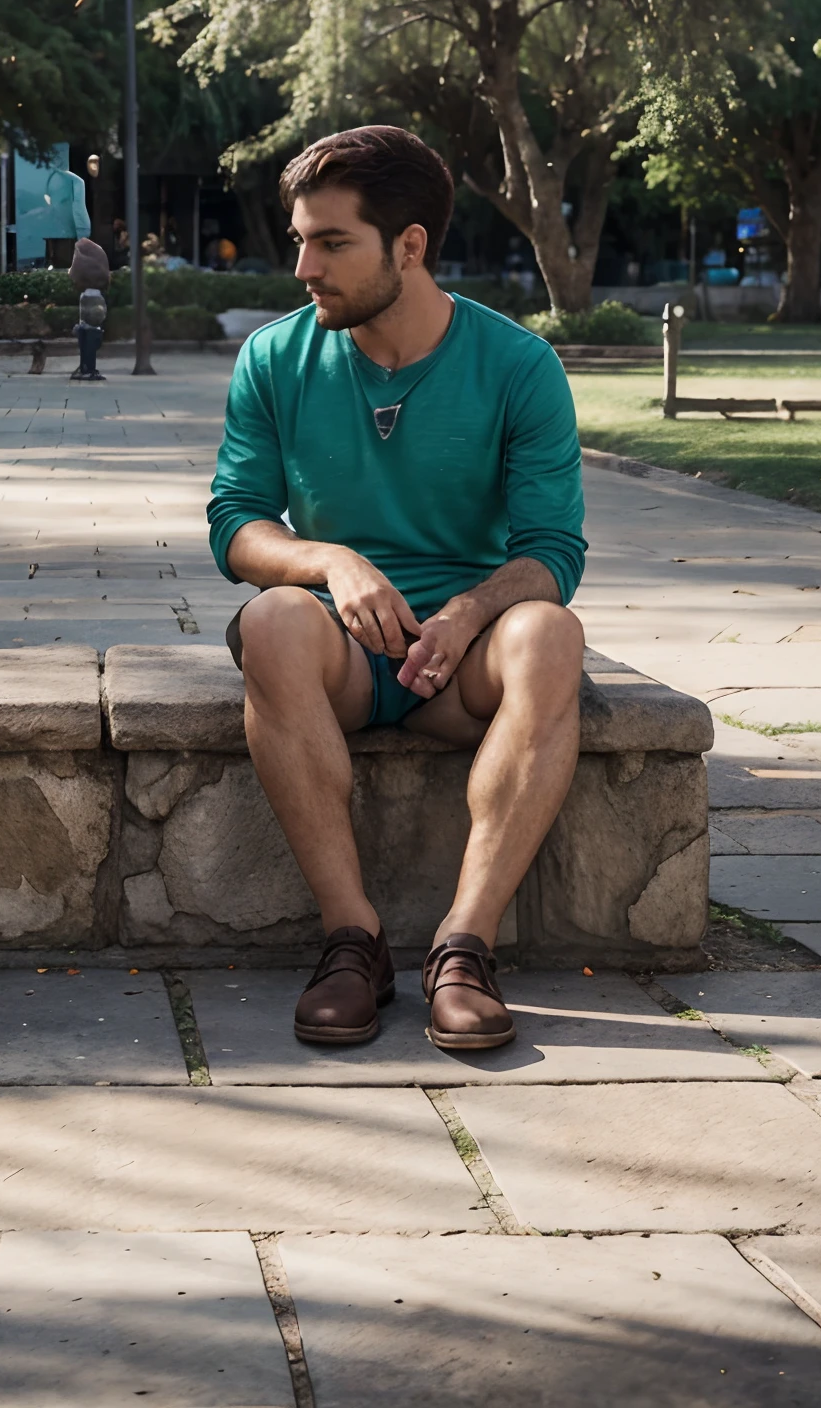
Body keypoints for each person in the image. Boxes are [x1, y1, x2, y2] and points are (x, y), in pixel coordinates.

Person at [207, 126, 586, 1054]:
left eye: (331, 243)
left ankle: (465, 948)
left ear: (408, 246)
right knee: (271, 623)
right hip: (343, 654)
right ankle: (355, 942)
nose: (305, 265)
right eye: (300, 239)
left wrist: (468, 612)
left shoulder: (519, 367)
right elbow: (238, 524)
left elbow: (552, 554)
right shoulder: (274, 359)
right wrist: (330, 561)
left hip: (463, 669)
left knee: (550, 636)